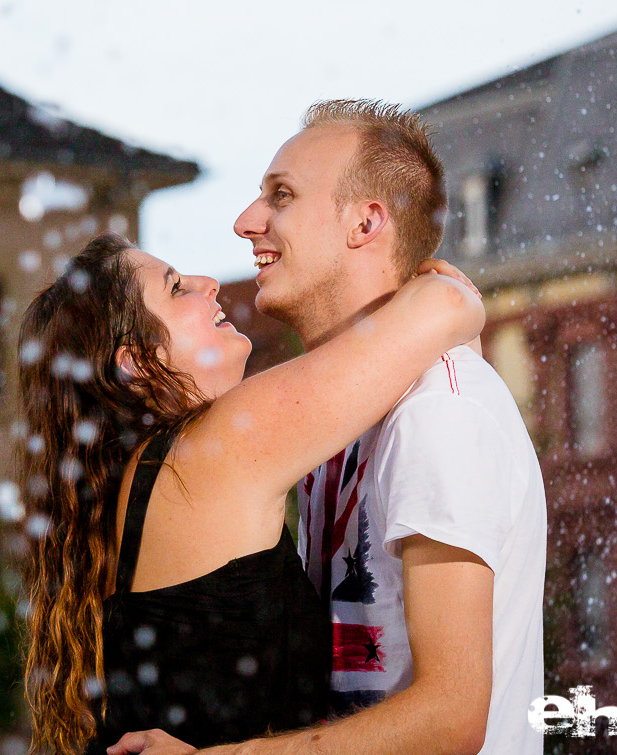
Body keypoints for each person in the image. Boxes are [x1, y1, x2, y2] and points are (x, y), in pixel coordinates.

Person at [109, 99, 547, 755]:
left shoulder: (437, 411)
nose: (245, 221)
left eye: (280, 196)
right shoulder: (330, 420)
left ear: (366, 221)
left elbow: (452, 716)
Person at [16, 229, 485, 755]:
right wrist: (455, 294)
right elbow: (445, 303)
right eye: (175, 288)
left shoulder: (148, 481)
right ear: (139, 363)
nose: (209, 284)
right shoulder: (210, 451)